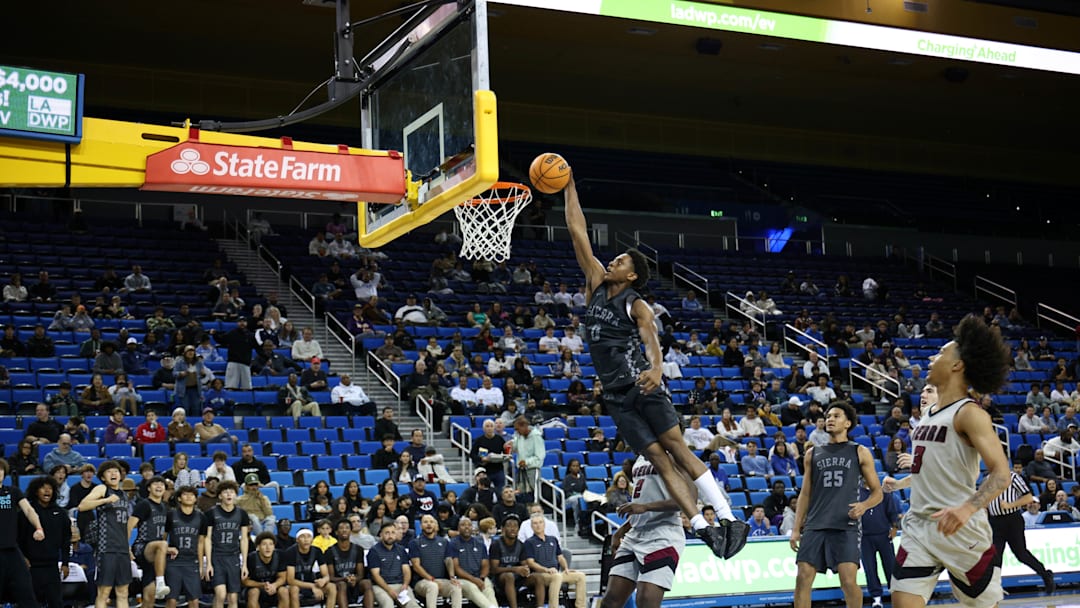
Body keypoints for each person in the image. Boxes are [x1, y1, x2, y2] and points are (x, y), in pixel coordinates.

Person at [564, 175, 745, 559]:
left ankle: (728, 516)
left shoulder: (637, 303)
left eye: (621, 260)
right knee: (659, 460)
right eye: (614, 257)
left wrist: (658, 368)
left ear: (631, 275)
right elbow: (577, 229)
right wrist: (568, 187)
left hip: (642, 385)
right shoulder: (595, 282)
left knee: (677, 450)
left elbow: (650, 337)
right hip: (615, 397)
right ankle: (702, 527)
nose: (612, 260)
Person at [882, 315, 1013, 608]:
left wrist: (967, 508)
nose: (933, 356)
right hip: (919, 527)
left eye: (941, 353)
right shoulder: (927, 415)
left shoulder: (969, 413)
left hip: (962, 530)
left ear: (957, 365)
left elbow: (1002, 474)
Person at [790, 402, 883, 608]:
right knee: (803, 578)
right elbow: (805, 493)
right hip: (816, 524)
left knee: (848, 582)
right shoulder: (812, 453)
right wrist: (796, 528)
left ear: (848, 423)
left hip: (845, 525)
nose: (830, 419)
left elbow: (878, 493)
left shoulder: (860, 452)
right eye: (828, 415)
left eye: (836, 416)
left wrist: (864, 505)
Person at [603, 453, 687, 608]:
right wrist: (621, 531)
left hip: (663, 534)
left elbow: (687, 501)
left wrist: (646, 507)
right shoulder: (641, 457)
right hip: (635, 533)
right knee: (610, 601)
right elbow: (642, 502)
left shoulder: (674, 454)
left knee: (646, 601)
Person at [986, 468, 1055, 594]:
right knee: (995, 556)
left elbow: (1028, 497)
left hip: (1012, 519)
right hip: (995, 521)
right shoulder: (987, 479)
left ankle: (1045, 574)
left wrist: (1010, 505)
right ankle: (995, 587)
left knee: (1021, 554)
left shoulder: (1013, 477)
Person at [78, 460, 133, 608]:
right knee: (104, 592)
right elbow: (82, 506)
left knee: (123, 592)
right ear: (103, 477)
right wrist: (106, 500)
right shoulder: (103, 489)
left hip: (122, 548)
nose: (114, 473)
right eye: (109, 471)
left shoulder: (123, 495)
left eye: (116, 471)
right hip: (106, 548)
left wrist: (128, 548)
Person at [0, 457, 48, 607]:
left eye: (0, 470)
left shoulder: (12, 492)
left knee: (26, 593)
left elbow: (28, 509)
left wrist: (39, 528)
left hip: (11, 550)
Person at [19, 475, 70, 608]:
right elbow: (18, 538)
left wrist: (65, 563)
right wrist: (22, 557)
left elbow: (66, 540)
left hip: (52, 567)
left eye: (50, 488)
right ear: (36, 491)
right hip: (31, 567)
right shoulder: (26, 513)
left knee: (56, 603)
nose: (47, 491)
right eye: (43, 488)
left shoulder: (61, 513)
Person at [522, 513, 586, 608]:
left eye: (540, 522)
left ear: (544, 524)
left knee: (580, 576)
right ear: (531, 526)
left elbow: (560, 557)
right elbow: (531, 562)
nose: (538, 525)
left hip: (556, 572)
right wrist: (546, 570)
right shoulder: (529, 542)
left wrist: (566, 568)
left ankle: (580, 606)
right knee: (557, 577)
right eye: (535, 523)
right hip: (541, 574)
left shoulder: (553, 539)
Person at [206, 480, 252, 608]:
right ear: (220, 496)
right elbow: (207, 539)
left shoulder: (242, 514)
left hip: (233, 557)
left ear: (236, 495)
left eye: (231, 492)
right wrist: (208, 563)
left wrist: (244, 564)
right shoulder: (211, 513)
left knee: (233, 598)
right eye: (225, 492)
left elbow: (244, 539)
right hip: (218, 556)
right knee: (220, 594)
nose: (228, 495)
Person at [129, 475, 172, 604]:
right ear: (148, 488)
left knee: (149, 598)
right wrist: (127, 548)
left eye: (162, 484)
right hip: (141, 547)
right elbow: (129, 526)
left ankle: (157, 584)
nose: (159, 486)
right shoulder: (144, 504)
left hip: (156, 551)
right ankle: (161, 581)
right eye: (155, 484)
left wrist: (165, 549)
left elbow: (164, 533)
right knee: (162, 544)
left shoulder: (165, 507)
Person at [860, 479, 902, 608]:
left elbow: (892, 511)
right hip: (864, 537)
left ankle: (895, 595)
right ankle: (876, 599)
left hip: (884, 535)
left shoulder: (883, 492)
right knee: (870, 569)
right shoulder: (855, 492)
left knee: (890, 567)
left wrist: (895, 528)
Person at [164, 485, 207, 608]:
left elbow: (200, 543)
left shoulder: (201, 517)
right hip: (173, 562)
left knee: (194, 600)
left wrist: (200, 565)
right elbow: (162, 538)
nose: (189, 497)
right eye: (185, 494)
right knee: (172, 599)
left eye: (192, 495)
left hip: (191, 561)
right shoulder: (171, 515)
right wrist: (165, 550)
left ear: (195, 499)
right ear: (179, 498)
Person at [409, 513, 460, 608]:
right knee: (433, 586)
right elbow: (416, 566)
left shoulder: (444, 542)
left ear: (435, 525)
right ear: (421, 526)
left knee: (456, 587)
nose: (428, 524)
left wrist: (452, 577)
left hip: (441, 580)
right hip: (422, 582)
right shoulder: (415, 543)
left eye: (431, 522)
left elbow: (449, 560)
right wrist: (431, 579)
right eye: (425, 522)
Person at [449, 517, 499, 608]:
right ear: (458, 528)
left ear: (473, 528)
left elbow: (485, 564)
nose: (466, 527)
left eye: (469, 525)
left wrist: (482, 578)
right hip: (462, 578)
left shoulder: (479, 543)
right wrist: (473, 579)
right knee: (472, 588)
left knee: (488, 588)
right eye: (463, 525)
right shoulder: (453, 544)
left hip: (479, 576)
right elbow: (456, 568)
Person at [368, 523, 420, 608]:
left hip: (400, 585)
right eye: (387, 533)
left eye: (392, 532)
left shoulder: (401, 549)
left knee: (413, 605)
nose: (390, 535)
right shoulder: (374, 551)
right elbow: (375, 575)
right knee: (388, 605)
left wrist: (405, 584)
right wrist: (389, 590)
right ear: (381, 534)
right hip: (381, 587)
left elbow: (406, 570)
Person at [488, 514, 532, 608]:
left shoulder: (521, 545)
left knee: (538, 578)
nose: (512, 528)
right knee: (509, 576)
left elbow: (525, 565)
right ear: (503, 529)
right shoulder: (496, 544)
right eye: (509, 526)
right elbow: (493, 569)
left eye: (515, 526)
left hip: (517, 578)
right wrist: (515, 569)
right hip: (500, 579)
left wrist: (525, 570)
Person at [286, 528, 337, 607]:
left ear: (312, 539)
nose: (306, 539)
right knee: (294, 589)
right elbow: (290, 580)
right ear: (297, 540)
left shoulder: (317, 551)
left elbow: (326, 575)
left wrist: (323, 580)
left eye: (308, 536)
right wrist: (312, 586)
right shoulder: (291, 552)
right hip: (297, 585)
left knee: (332, 587)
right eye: (302, 537)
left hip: (313, 583)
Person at [327, 519, 370, 608]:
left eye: (347, 528)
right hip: (338, 583)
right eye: (341, 528)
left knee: (367, 583)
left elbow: (360, 574)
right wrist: (345, 579)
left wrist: (355, 579)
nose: (344, 530)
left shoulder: (358, 549)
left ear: (350, 531)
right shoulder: (329, 551)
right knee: (342, 585)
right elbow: (330, 577)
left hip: (355, 583)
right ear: (336, 532)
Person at [244, 531, 288, 608]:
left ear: (274, 546)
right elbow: (245, 581)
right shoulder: (251, 558)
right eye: (264, 544)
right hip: (258, 588)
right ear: (258, 547)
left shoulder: (280, 555)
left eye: (271, 544)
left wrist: (274, 585)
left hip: (274, 588)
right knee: (253, 592)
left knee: (284, 591)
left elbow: (282, 577)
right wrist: (262, 585)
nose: (268, 547)